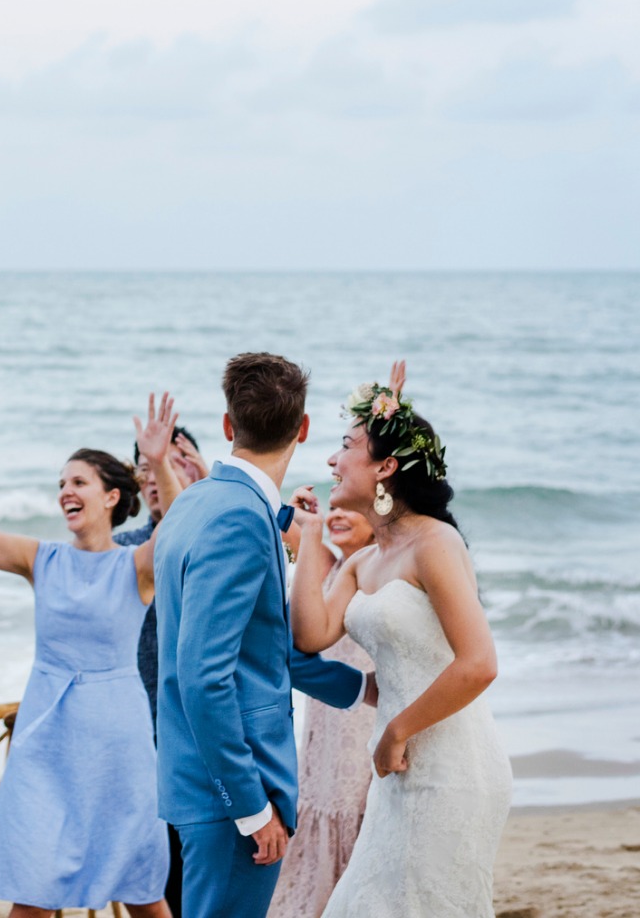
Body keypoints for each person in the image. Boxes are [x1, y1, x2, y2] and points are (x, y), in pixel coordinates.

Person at [0, 395, 182, 918]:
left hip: (119, 741)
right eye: (61, 484)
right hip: (49, 737)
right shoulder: (40, 559)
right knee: (35, 887)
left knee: (141, 889)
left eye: (78, 482)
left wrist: (159, 462)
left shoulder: (137, 566)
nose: (66, 491)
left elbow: (182, 528)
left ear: (112, 496)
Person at [152, 353, 372, 918]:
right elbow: (203, 678)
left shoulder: (195, 503)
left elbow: (259, 647)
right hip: (232, 792)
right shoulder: (240, 520)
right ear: (301, 429)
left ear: (229, 426)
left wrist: (356, 687)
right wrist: (251, 808)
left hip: (196, 775)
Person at [290, 363, 510, 917]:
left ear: (386, 467)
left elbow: (479, 664)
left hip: (451, 768)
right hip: (398, 773)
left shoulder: (435, 543)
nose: (331, 461)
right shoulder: (364, 560)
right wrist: (313, 534)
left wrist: (394, 730)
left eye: (346, 446)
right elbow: (309, 635)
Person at [266, 508, 377, 918]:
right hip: (326, 722)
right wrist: (297, 514)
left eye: (353, 508)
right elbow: (283, 525)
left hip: (363, 716)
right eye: (334, 506)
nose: (338, 514)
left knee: (351, 812)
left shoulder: (377, 573)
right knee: (320, 803)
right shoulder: (332, 567)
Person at [118, 424, 208, 918]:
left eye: (174, 461)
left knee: (200, 873)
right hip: (135, 733)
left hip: (199, 733)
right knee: (152, 874)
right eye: (148, 465)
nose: (158, 474)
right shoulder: (121, 548)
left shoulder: (210, 541)